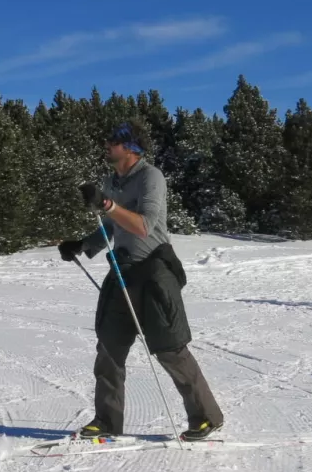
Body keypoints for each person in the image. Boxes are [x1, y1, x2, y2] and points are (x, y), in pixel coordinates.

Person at [57, 120, 224, 441]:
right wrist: (83, 244)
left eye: (112, 141)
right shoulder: (112, 180)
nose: (106, 144)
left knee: (169, 348)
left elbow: (144, 225)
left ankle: (205, 417)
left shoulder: (151, 177)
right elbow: (112, 226)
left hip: (155, 270)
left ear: (131, 147)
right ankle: (106, 420)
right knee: (109, 347)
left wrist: (106, 204)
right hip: (122, 272)